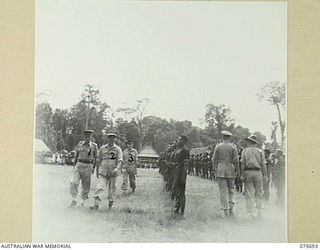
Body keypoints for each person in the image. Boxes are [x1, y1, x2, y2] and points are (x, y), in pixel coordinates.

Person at [91, 132, 123, 210]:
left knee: (112, 189)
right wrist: (97, 170)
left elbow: (120, 160)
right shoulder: (102, 148)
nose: (111, 139)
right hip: (103, 171)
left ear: (115, 139)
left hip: (113, 172)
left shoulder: (118, 149)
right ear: (108, 138)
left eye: (113, 138)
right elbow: (98, 160)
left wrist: (117, 168)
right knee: (100, 187)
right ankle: (96, 204)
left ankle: (110, 205)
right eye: (110, 138)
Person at [212, 131, 239, 217]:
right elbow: (236, 160)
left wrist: (215, 169)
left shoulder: (218, 146)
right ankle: (231, 209)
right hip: (231, 169)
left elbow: (214, 160)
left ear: (223, 137)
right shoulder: (233, 147)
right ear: (229, 137)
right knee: (231, 190)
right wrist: (237, 170)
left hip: (220, 169)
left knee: (223, 192)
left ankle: (226, 211)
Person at [240, 135, 268, 219]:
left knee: (249, 193)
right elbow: (263, 164)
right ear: (255, 143)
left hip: (248, 172)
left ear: (248, 142)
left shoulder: (244, 151)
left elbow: (243, 164)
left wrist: (242, 174)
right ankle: (259, 212)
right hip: (258, 172)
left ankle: (251, 213)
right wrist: (265, 175)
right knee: (259, 192)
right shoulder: (260, 151)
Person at [69, 130, 98, 207]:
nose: (87, 137)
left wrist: (93, 168)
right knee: (74, 182)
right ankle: (74, 199)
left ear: (91, 136)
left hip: (88, 165)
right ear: (84, 136)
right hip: (79, 164)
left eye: (89, 135)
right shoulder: (80, 144)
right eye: (86, 135)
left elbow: (96, 158)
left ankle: (83, 201)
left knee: (86, 185)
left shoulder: (94, 146)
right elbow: (76, 155)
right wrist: (74, 165)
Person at [172, 135, 190, 216]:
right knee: (176, 190)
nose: (178, 141)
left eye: (179, 140)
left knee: (181, 192)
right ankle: (177, 206)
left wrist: (183, 176)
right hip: (176, 171)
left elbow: (186, 165)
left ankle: (182, 210)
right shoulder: (178, 150)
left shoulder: (185, 150)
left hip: (181, 172)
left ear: (183, 141)